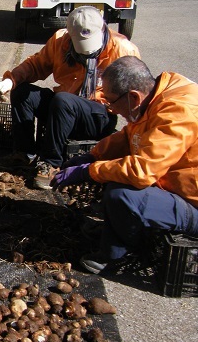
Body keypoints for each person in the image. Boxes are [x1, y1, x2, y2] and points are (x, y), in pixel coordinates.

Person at [51, 56, 198, 274]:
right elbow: (130, 135)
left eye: (111, 101)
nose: (111, 109)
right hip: (172, 185)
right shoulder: (155, 96)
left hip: (191, 203)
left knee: (122, 193)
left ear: (133, 97)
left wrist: (90, 171)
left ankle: (119, 256)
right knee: (113, 176)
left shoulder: (178, 112)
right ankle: (121, 232)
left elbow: (142, 171)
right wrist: (93, 156)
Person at [0, 6, 140, 189]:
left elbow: (133, 95)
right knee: (24, 93)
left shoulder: (123, 49)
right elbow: (37, 64)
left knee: (63, 100)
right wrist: (11, 80)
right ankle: (24, 153)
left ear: (102, 30)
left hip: (97, 114)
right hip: (62, 106)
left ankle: (51, 163)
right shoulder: (61, 41)